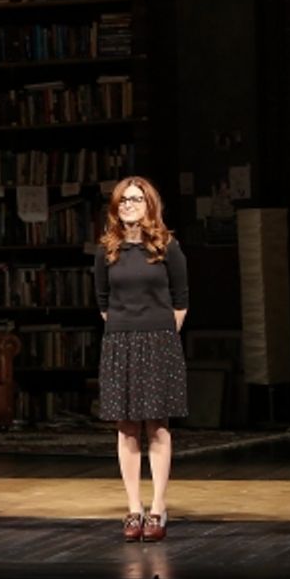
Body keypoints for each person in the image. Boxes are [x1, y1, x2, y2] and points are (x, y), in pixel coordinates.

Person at [94, 177, 188, 543]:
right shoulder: (106, 250)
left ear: (150, 205)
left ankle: (158, 507)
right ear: (115, 208)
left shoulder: (168, 247)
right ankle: (133, 508)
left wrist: (158, 333)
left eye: (137, 199)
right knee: (127, 427)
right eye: (123, 200)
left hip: (159, 340)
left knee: (157, 426)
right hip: (120, 341)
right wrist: (126, 330)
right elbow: (103, 301)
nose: (129, 204)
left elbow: (181, 300)